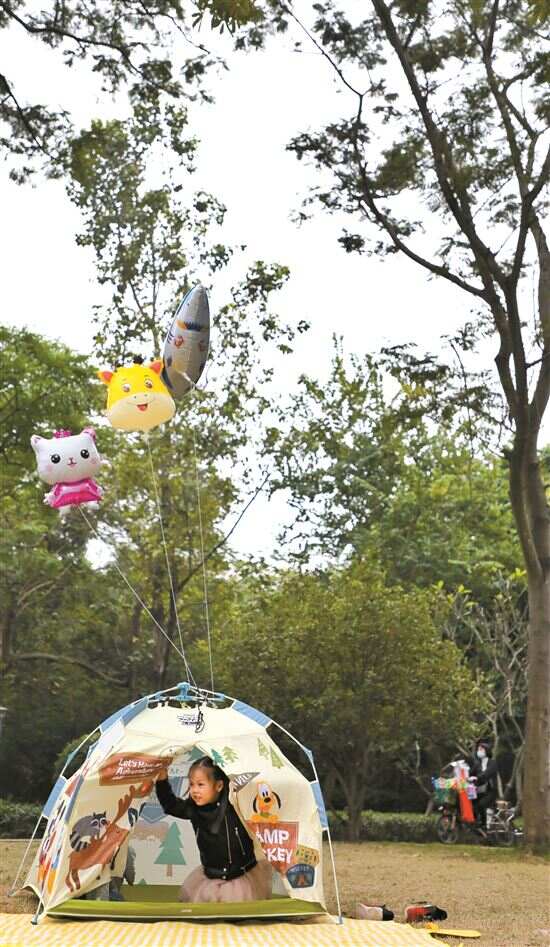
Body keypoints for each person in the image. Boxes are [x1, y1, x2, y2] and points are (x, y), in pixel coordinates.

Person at [155, 756, 272, 903]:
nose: (194, 790)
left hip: (239, 875)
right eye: (191, 784)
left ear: (219, 786)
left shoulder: (234, 805)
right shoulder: (193, 809)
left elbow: (257, 795)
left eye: (200, 784)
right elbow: (170, 805)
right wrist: (162, 780)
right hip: (211, 875)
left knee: (235, 910)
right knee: (208, 909)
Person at [470, 740, 498, 828]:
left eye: (481, 749)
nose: (479, 751)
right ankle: (474, 823)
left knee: (481, 804)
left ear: (487, 751)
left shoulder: (492, 763)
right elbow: (470, 773)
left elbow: (487, 773)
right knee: (471, 805)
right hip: (479, 791)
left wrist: (477, 777)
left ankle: (484, 824)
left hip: (490, 791)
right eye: (478, 749)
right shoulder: (477, 765)